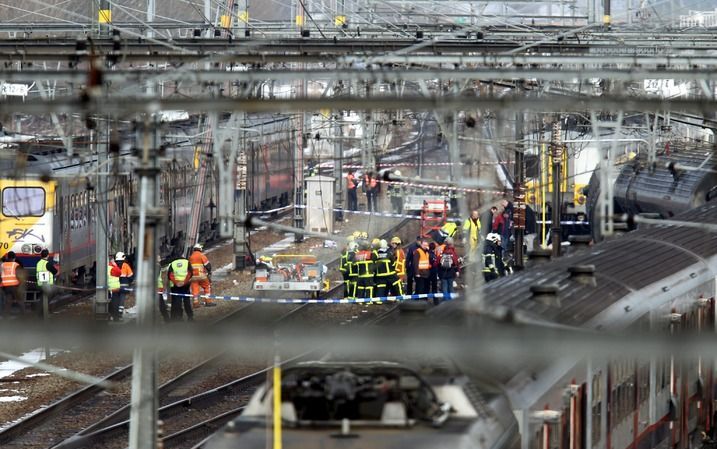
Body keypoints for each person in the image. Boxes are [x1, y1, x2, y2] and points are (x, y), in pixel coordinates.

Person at [168, 256, 193, 321]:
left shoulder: (172, 264)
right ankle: (190, 317)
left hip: (175, 286)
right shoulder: (187, 262)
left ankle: (177, 317)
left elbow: (170, 275)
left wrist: (176, 283)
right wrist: (184, 282)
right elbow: (190, 273)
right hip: (185, 285)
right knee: (186, 301)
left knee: (176, 302)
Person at [436, 237, 460, 303]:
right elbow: (456, 263)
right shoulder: (453, 252)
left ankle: (445, 302)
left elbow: (437, 263)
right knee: (451, 288)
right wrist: (457, 271)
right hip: (451, 273)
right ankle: (451, 302)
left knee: (444, 288)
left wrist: (439, 271)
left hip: (442, 274)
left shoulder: (442, 252)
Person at [115, 252, 134, 318]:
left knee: (116, 298)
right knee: (122, 298)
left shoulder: (114, 265)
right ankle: (120, 311)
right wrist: (129, 282)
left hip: (115, 285)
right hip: (124, 285)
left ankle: (115, 311)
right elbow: (131, 276)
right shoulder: (126, 265)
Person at [107, 255, 123, 321]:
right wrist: (115, 265)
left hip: (108, 289)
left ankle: (109, 315)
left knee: (110, 303)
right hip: (114, 289)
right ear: (112, 261)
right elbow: (119, 272)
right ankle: (116, 318)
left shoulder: (106, 267)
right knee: (115, 304)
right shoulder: (112, 268)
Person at [156, 257, 170, 323]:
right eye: (158, 258)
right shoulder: (158, 266)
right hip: (158, 286)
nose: (160, 259)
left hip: (157, 286)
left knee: (160, 303)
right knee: (161, 303)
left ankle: (166, 318)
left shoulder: (157, 266)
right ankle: (166, 318)